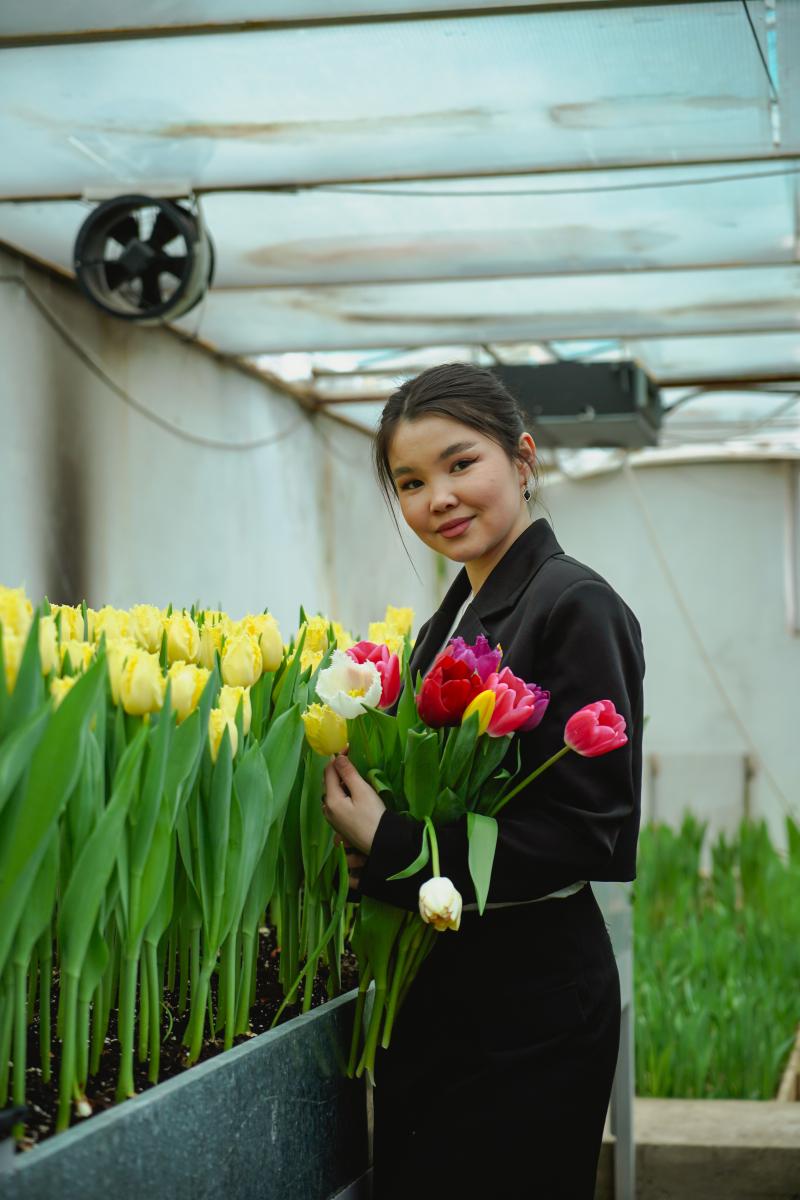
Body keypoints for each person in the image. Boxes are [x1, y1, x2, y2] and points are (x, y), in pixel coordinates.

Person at [321, 362, 645, 1199]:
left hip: (530, 1003)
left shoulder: (575, 604)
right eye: (410, 482)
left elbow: (587, 831)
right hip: (452, 991)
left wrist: (393, 845)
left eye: (461, 464)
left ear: (523, 458)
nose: (439, 498)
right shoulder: (450, 619)